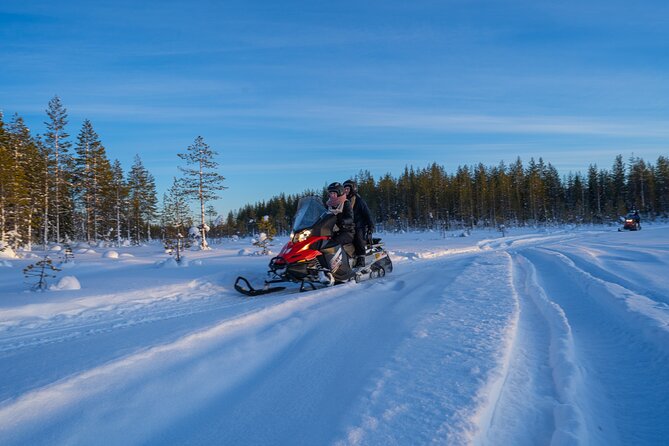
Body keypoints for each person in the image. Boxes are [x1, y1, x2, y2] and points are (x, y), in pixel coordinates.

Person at [343, 179, 374, 267]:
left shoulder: (359, 201)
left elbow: (367, 214)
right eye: (344, 189)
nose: (345, 191)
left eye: (347, 189)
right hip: (347, 226)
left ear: (353, 189)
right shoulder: (343, 201)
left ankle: (361, 258)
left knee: (358, 238)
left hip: (359, 226)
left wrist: (371, 226)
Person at [325, 182, 355, 247]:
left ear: (339, 193)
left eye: (334, 193)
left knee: (333, 243)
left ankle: (343, 257)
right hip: (332, 231)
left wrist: (343, 221)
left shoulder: (346, 203)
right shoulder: (328, 205)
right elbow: (323, 215)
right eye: (330, 193)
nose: (332, 195)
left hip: (346, 231)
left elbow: (351, 218)